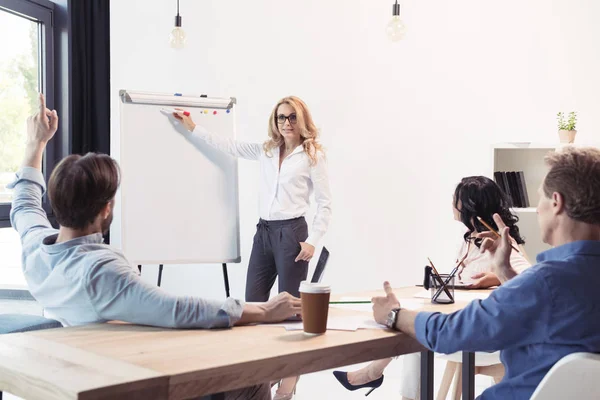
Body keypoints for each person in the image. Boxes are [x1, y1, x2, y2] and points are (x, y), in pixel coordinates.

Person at [10, 94, 302, 400]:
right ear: (107, 208)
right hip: (130, 376)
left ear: (55, 202)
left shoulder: (36, 247)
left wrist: (36, 144)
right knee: (252, 379)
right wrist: (266, 310)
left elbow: (25, 202)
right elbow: (177, 309)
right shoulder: (100, 271)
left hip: (90, 367)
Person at [372, 146, 600, 399]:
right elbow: (548, 312)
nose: (537, 209)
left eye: (540, 199)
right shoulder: (566, 281)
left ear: (556, 202)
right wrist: (505, 273)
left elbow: (450, 333)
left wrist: (392, 314)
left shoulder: (547, 281)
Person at [172, 96, 332, 399]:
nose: (286, 123)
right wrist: (194, 128)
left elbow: (325, 204)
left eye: (292, 118)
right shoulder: (267, 150)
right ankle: (258, 379)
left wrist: (313, 241)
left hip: (293, 233)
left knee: (291, 312)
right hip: (264, 233)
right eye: (281, 117)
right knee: (253, 305)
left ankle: (289, 380)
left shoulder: (313, 156)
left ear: (302, 121)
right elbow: (229, 146)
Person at [333, 176, 530, 397]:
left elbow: (526, 276)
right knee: (412, 325)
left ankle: (374, 375)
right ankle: (379, 376)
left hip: (483, 333)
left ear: (468, 205)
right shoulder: (469, 239)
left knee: (413, 327)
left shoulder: (500, 241)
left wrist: (494, 277)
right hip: (467, 320)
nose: (452, 204)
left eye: (456, 199)